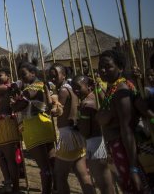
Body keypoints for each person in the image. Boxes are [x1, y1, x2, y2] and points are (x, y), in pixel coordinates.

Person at [96, 50, 150, 193]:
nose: (102, 70)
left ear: (120, 68)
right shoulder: (113, 88)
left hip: (125, 151)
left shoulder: (121, 91)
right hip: (118, 150)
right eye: (100, 66)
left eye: (108, 66)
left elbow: (127, 130)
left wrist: (133, 168)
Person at [49, 64, 94, 194]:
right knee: (82, 174)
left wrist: (52, 107)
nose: (53, 78)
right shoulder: (72, 88)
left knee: (60, 175)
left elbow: (58, 111)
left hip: (68, 137)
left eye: (55, 75)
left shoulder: (63, 90)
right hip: (76, 133)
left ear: (64, 75)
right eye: (51, 75)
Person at [12, 62, 56, 194]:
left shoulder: (30, 89)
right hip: (46, 125)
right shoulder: (44, 85)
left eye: (24, 74)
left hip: (34, 128)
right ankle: (57, 188)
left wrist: (14, 103)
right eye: (20, 75)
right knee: (52, 163)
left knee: (45, 167)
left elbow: (17, 107)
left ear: (33, 73)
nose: (22, 78)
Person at [72, 75, 115, 194]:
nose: (75, 90)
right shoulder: (98, 98)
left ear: (89, 87)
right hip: (105, 142)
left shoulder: (86, 105)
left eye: (78, 87)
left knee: (104, 185)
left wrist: (78, 122)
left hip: (96, 146)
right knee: (109, 183)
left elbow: (85, 131)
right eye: (73, 88)